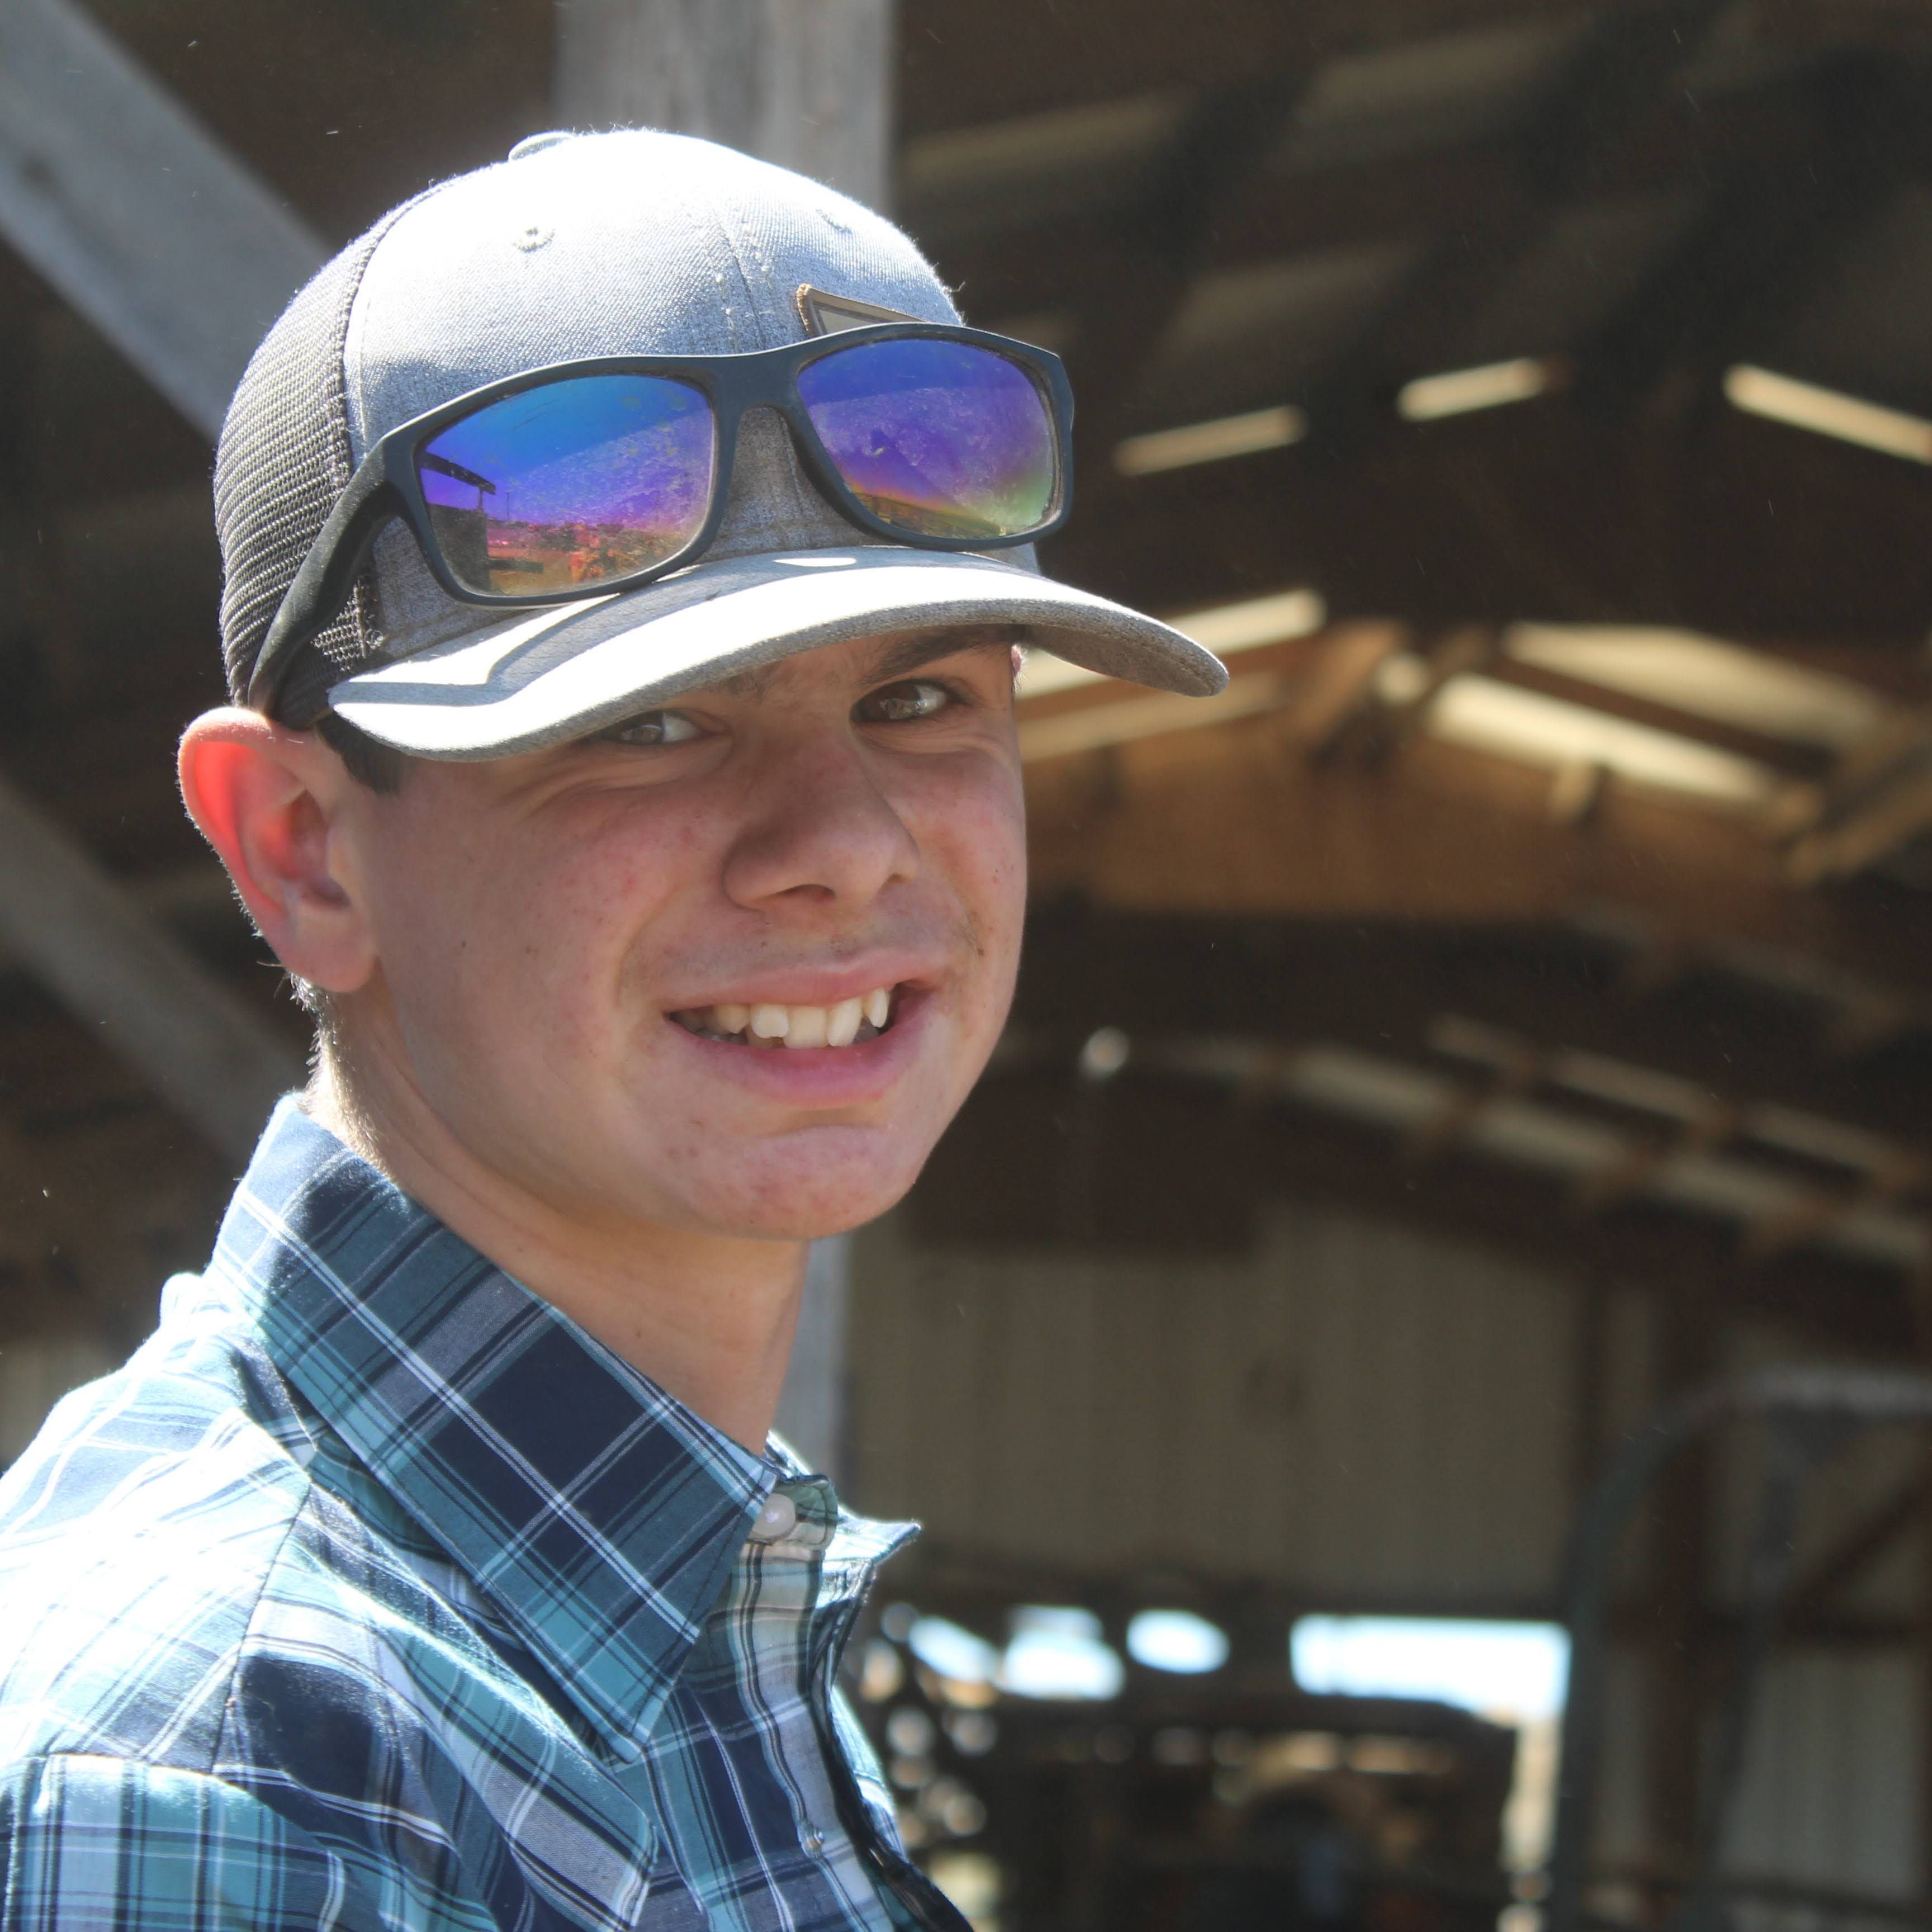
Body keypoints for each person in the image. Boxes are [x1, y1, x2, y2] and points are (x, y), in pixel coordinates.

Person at [0, 129, 1223, 1929]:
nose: (843, 842)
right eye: (651, 726)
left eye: (919, 699)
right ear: (304, 849)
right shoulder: (228, 1773)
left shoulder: (673, 1625)